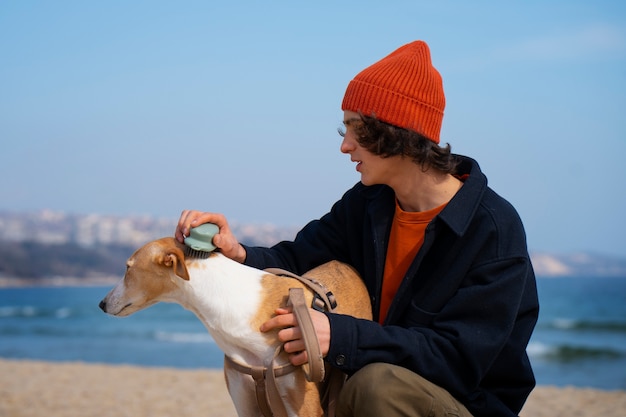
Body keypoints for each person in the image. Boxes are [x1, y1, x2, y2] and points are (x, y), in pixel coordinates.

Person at [175, 40, 539, 417]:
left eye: (357, 129)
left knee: (375, 385)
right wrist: (239, 253)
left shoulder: (493, 229)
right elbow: (297, 259)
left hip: (466, 405)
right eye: (344, 129)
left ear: (397, 131)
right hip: (369, 386)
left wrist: (339, 335)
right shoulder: (369, 202)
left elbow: (458, 360)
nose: (345, 146)